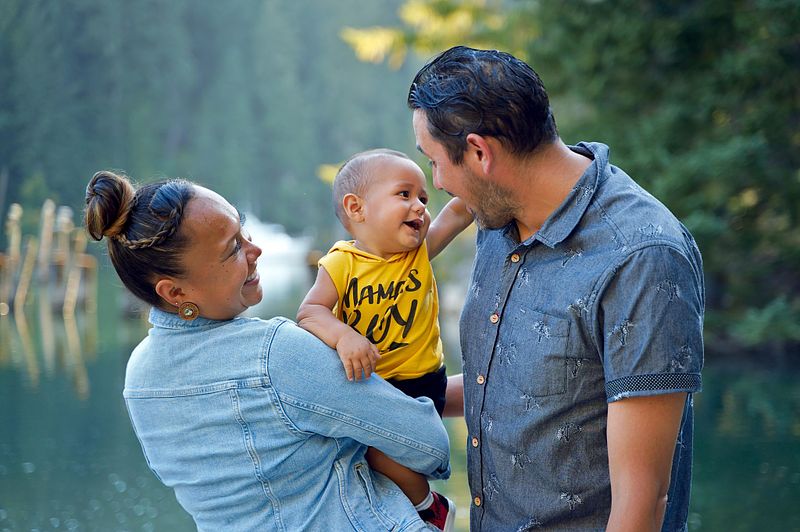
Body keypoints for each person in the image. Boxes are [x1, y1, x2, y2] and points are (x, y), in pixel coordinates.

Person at [409, 46, 705, 531]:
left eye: (436, 163)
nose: (438, 182)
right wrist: (381, 401)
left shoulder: (641, 257)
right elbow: (508, 389)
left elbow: (643, 506)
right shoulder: (501, 212)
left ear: (481, 152)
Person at [84, 170, 452, 531]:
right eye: (233, 249)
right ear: (176, 293)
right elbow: (427, 443)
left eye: (242, 230)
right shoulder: (276, 353)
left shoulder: (139, 376)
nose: (255, 249)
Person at [297, 149, 472, 532]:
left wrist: (480, 177)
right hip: (374, 387)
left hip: (423, 382)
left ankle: (429, 507)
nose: (420, 207)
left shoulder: (418, 254)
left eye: (423, 198)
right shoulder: (341, 263)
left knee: (379, 453)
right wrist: (344, 337)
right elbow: (310, 313)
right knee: (364, 457)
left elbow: (459, 212)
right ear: (356, 208)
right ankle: (421, 506)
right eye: (404, 194)